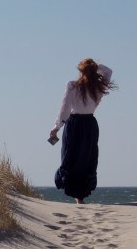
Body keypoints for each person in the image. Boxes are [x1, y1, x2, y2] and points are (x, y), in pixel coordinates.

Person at [49, 59, 116, 204]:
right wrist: (95, 66)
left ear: (81, 71)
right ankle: (79, 197)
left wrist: (56, 128)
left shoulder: (75, 86)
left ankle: (77, 196)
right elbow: (108, 71)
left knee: (74, 158)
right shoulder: (96, 86)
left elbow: (64, 109)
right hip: (88, 125)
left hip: (75, 124)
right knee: (84, 159)